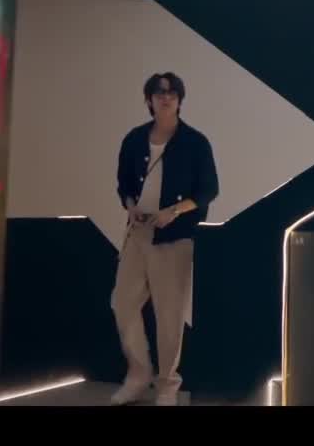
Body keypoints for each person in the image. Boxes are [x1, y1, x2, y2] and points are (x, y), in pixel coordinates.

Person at [110, 72, 219, 406]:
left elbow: (208, 190)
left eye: (172, 93)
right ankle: (138, 374)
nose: (166, 97)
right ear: (149, 100)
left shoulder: (195, 142)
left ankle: (167, 385)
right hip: (139, 233)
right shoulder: (134, 138)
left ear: (180, 100)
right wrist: (130, 206)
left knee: (169, 316)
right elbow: (124, 183)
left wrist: (175, 211)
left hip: (175, 236)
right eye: (159, 93)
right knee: (122, 303)